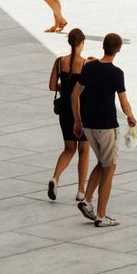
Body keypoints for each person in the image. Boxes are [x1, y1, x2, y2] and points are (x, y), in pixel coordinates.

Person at [70, 31, 137, 227]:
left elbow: (75, 95)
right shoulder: (117, 73)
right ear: (118, 50)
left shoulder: (89, 68)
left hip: (89, 125)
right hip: (107, 127)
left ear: (103, 47)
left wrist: (77, 121)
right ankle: (101, 215)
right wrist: (131, 116)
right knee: (110, 167)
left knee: (101, 162)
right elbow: (123, 102)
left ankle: (87, 201)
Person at [47, 28, 91, 215]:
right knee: (84, 149)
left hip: (64, 110)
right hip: (81, 110)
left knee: (69, 148)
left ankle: (55, 177)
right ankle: (81, 190)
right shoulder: (85, 64)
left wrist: (64, 87)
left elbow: (51, 86)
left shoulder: (59, 62)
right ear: (81, 43)